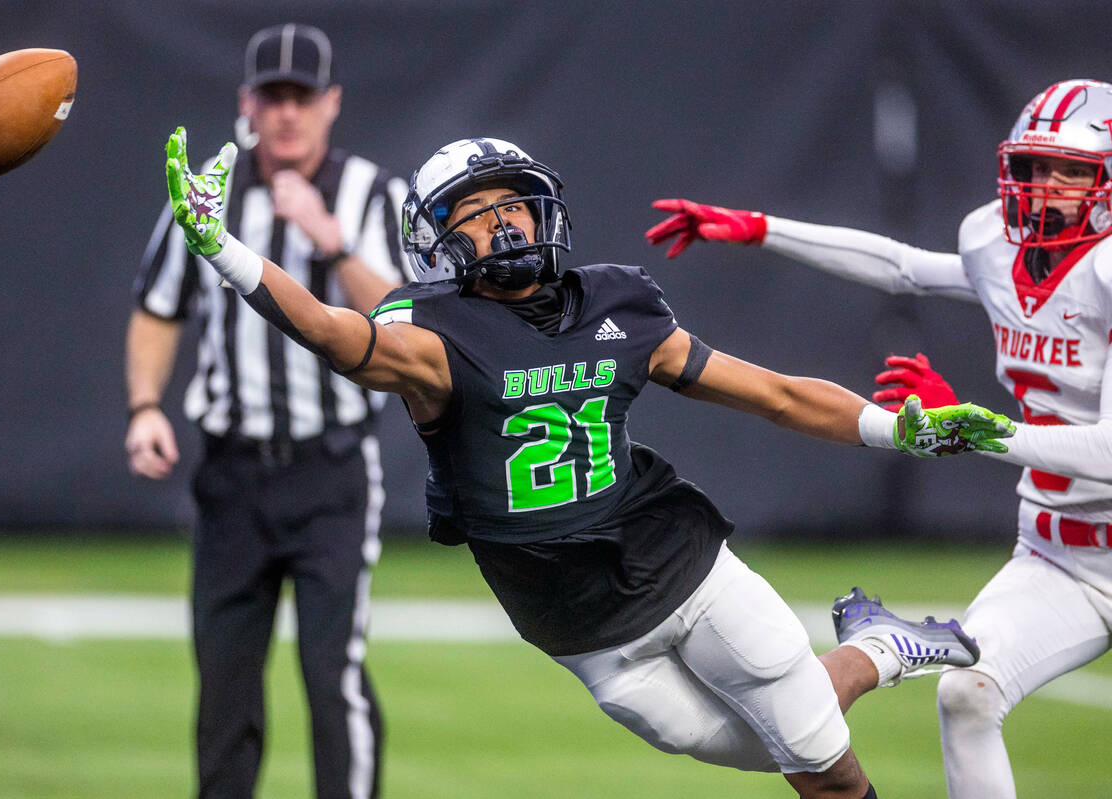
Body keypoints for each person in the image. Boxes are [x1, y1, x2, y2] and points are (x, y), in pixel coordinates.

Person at [162, 127, 1015, 798]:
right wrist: (226, 250)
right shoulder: (431, 337)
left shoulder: (617, 303)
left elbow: (772, 393)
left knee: (822, 765)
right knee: (780, 744)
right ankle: (879, 649)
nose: (503, 220)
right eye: (475, 208)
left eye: (515, 203)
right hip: (581, 631)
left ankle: (872, 654)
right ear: (433, 240)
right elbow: (331, 331)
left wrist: (892, 429)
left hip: (685, 567)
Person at [645, 77, 1112, 799]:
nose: (1044, 186)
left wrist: (976, 430)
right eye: (1034, 166)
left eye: (1070, 170)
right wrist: (762, 228)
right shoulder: (995, 242)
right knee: (967, 694)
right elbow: (902, 267)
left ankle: (889, 646)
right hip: (1063, 554)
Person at [125, 24, 411, 799]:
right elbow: (158, 306)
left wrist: (333, 243)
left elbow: (410, 327)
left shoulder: (374, 195)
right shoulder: (207, 190)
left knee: (331, 673)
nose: (287, 114)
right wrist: (146, 405)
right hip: (234, 474)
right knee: (223, 679)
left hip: (333, 470)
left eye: (302, 97)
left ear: (333, 104)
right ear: (247, 103)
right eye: (273, 96)